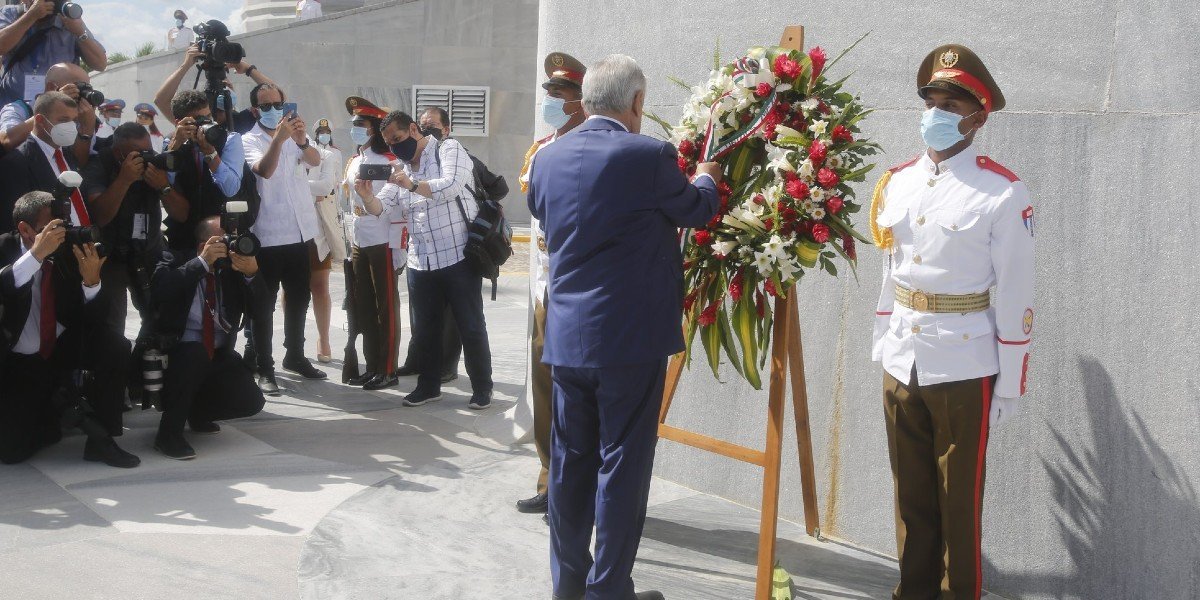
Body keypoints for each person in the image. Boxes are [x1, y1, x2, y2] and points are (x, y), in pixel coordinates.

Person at [527, 54, 721, 600]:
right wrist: (706, 178)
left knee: (569, 465)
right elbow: (694, 210)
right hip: (630, 342)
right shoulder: (650, 154)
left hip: (567, 338)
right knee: (622, 468)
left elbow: (544, 213)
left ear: (585, 100)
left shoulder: (547, 158)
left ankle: (567, 585)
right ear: (636, 103)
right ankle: (608, 589)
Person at [870, 44, 1034, 600]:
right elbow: (891, 268)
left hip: (965, 362)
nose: (936, 113)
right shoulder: (898, 182)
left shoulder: (1002, 192)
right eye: (931, 101)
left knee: (957, 503)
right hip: (902, 355)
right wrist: (882, 337)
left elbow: (1016, 290)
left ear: (978, 116)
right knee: (911, 496)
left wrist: (1010, 378)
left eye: (951, 103)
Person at [0, 191, 138, 468]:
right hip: (17, 361)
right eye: (48, 230)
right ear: (25, 229)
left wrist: (92, 283)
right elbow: (6, 286)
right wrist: (37, 254)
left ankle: (103, 439)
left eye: (60, 228)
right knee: (13, 452)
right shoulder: (5, 247)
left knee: (114, 346)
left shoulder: (67, 250)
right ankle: (52, 408)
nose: (58, 237)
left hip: (60, 347)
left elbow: (95, 319)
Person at [375, 110, 492, 410]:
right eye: (389, 144)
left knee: (470, 325)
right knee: (425, 329)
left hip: (457, 256)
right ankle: (428, 386)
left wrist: (412, 186)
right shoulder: (401, 166)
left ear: (414, 129)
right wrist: (365, 196)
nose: (395, 147)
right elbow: (383, 208)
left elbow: (450, 184)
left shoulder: (447, 148)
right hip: (420, 260)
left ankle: (482, 387)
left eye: (398, 139)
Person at [514, 51, 587, 518]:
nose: (553, 101)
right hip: (545, 286)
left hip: (579, 287)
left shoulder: (590, 145)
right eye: (550, 94)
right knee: (544, 384)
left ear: (582, 100)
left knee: (575, 389)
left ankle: (578, 482)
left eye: (561, 94)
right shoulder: (542, 148)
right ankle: (549, 477)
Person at [150, 216, 267, 459]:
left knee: (251, 400)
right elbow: (161, 290)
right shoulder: (175, 259)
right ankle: (168, 433)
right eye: (220, 240)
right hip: (178, 354)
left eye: (230, 240)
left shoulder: (230, 270)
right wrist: (202, 263)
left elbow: (263, 309)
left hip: (218, 353)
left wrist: (251, 273)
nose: (228, 246)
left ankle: (198, 413)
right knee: (195, 354)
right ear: (203, 242)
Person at [242, 82, 327, 394]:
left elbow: (315, 161)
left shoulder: (293, 137)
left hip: (298, 231)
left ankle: (295, 354)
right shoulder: (248, 139)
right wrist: (277, 140)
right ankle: (265, 366)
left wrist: (301, 140)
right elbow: (263, 170)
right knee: (262, 305)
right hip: (267, 234)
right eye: (266, 106)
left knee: (299, 297)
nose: (274, 110)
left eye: (278, 104)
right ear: (255, 110)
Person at [80, 122, 184, 353]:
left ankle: (147, 366)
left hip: (149, 250)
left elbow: (181, 214)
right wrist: (124, 180)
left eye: (150, 151)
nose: (147, 158)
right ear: (120, 153)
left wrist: (163, 186)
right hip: (112, 256)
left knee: (158, 316)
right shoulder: (101, 164)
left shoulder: (154, 166)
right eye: (140, 154)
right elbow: (100, 216)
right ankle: (116, 372)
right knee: (111, 324)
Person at [342, 98, 404, 391]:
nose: (355, 129)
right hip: (360, 239)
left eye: (361, 125)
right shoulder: (355, 160)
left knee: (386, 308)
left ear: (374, 130)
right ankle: (371, 366)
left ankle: (388, 368)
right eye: (354, 124)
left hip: (383, 240)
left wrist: (400, 248)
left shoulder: (390, 162)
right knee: (364, 305)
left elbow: (398, 207)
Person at [161, 89, 245, 252]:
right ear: (179, 122)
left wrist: (211, 154)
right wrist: (175, 146)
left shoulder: (230, 139)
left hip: (220, 230)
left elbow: (231, 188)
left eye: (207, 118)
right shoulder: (171, 141)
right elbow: (163, 182)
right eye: (197, 121)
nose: (204, 125)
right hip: (183, 233)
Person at [0, 91, 93, 232]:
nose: (71, 126)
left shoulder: (68, 154)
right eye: (63, 120)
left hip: (83, 246)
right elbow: (13, 226)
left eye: (74, 120)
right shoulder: (16, 163)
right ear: (40, 120)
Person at [0, 0, 107, 106]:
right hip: (14, 109)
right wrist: (30, 16)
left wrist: (79, 32)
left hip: (57, 111)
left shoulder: (68, 18)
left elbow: (100, 64)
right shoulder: (11, 13)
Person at [153, 49, 277, 135]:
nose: (224, 90)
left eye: (226, 85)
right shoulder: (196, 122)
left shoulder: (242, 119)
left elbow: (278, 96)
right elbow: (161, 101)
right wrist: (186, 65)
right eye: (219, 87)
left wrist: (249, 69)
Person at [303, 117, 344, 363]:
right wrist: (310, 189)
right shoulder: (288, 155)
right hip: (293, 230)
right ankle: (294, 343)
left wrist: (299, 187)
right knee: (292, 290)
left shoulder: (330, 155)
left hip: (319, 228)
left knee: (320, 287)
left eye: (326, 132)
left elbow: (328, 187)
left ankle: (324, 339)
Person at [0, 61, 97, 164]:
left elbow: (79, 164)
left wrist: (86, 129)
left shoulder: (81, 117)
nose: (83, 94)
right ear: (51, 88)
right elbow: (5, 141)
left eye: (87, 88)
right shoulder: (19, 109)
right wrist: (50, 107)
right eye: (78, 88)